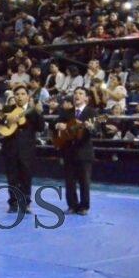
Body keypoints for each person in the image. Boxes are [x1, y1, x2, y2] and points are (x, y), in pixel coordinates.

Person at [1, 86, 44, 214]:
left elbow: (41, 127)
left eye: (22, 94)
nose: (20, 96)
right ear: (14, 97)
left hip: (27, 150)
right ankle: (13, 203)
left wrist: (38, 113)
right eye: (17, 94)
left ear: (27, 96)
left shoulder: (32, 111)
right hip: (10, 149)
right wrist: (7, 120)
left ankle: (25, 203)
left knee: (26, 176)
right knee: (12, 177)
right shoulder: (8, 109)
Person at [56, 87, 98, 215]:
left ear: (86, 98)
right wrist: (59, 125)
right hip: (68, 151)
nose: (77, 95)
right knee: (69, 181)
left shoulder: (92, 112)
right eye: (75, 93)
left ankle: (84, 206)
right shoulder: (67, 112)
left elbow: (96, 130)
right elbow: (56, 123)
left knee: (84, 181)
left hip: (84, 151)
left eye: (80, 93)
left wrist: (91, 127)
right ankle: (72, 206)